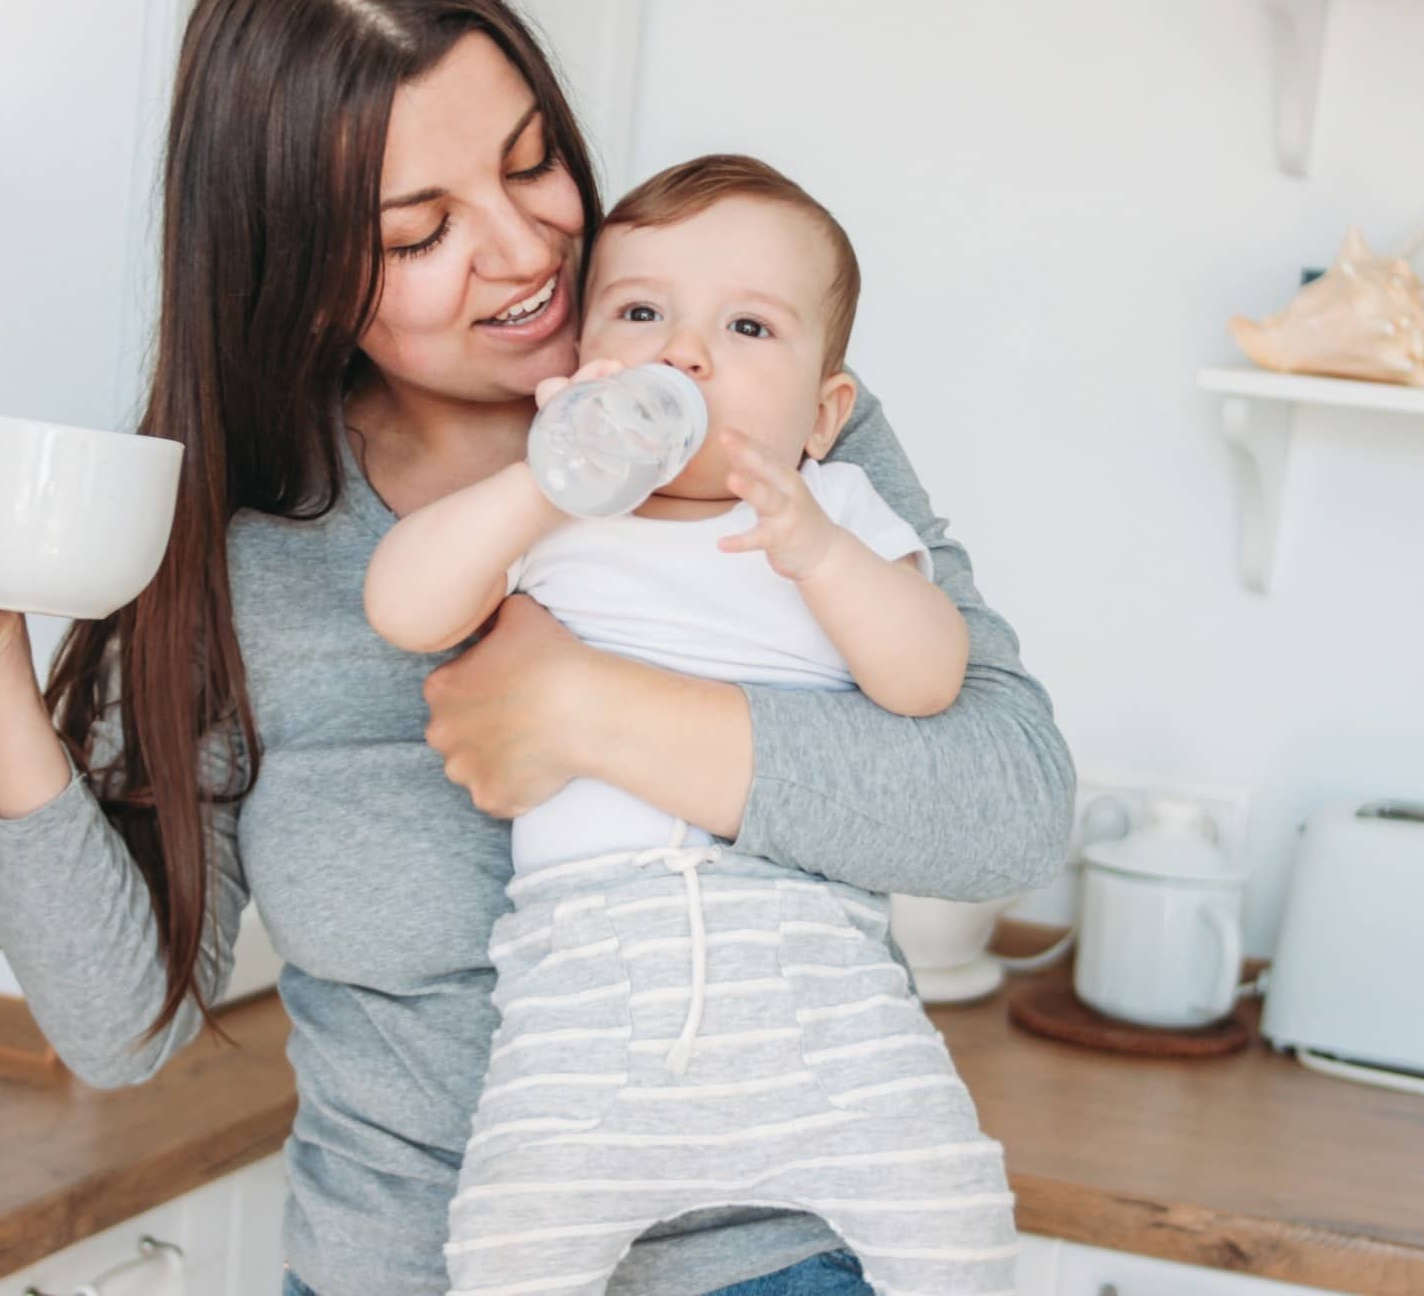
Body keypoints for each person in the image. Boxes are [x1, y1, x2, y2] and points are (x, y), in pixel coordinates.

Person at [0, 0, 1074, 1296]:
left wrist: (585, 709)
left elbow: (1005, 805)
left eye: (530, 160)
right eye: (421, 230)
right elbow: (118, 1022)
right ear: (302, 277)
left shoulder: (760, 419)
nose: (524, 253)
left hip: (777, 1257)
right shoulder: (244, 544)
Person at [363, 153, 1022, 1295]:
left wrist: (815, 548)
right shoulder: (555, 519)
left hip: (819, 1000)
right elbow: (404, 605)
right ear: (580, 362)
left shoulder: (840, 514)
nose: (683, 352)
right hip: (584, 1005)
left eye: (746, 330)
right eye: (640, 312)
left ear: (822, 414)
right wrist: (547, 477)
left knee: (956, 1220)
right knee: (507, 1248)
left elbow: (927, 680)